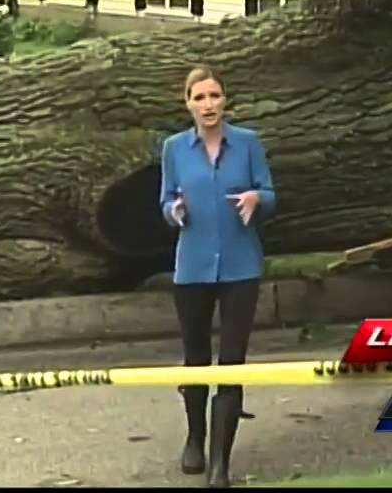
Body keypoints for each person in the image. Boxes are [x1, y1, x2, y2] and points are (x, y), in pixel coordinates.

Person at [159, 66, 276, 488]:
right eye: (199, 97)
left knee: (231, 363)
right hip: (192, 269)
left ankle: (220, 465)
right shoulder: (174, 148)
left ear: (225, 101)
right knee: (195, 359)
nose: (208, 104)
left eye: (214, 96)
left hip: (240, 267)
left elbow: (270, 193)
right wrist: (175, 211)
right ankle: (195, 437)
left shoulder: (247, 144)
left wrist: (255, 198)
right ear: (187, 103)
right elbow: (166, 200)